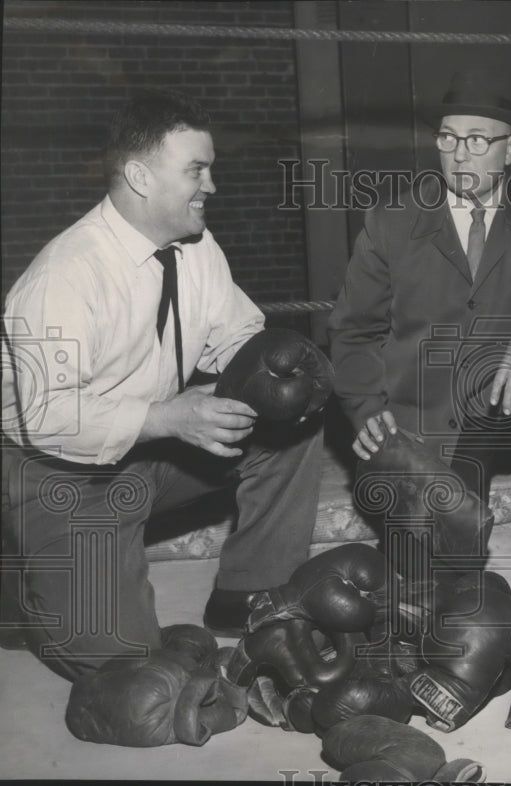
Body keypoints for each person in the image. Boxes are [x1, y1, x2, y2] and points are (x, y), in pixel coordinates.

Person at [0, 89, 325, 680]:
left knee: (290, 421)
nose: (211, 187)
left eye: (211, 169)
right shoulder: (64, 275)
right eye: (196, 170)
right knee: (127, 673)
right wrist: (172, 417)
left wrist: (298, 368)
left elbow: (238, 336)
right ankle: (24, 591)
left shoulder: (196, 248)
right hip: (57, 470)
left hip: (150, 448)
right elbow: (48, 418)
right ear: (139, 176)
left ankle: (248, 595)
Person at [328, 69, 511, 607]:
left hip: (505, 405)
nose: (458, 154)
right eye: (447, 138)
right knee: (439, 594)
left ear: (509, 149)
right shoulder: (392, 219)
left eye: (475, 140)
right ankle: (443, 531)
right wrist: (365, 411)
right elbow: (353, 332)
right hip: (423, 423)